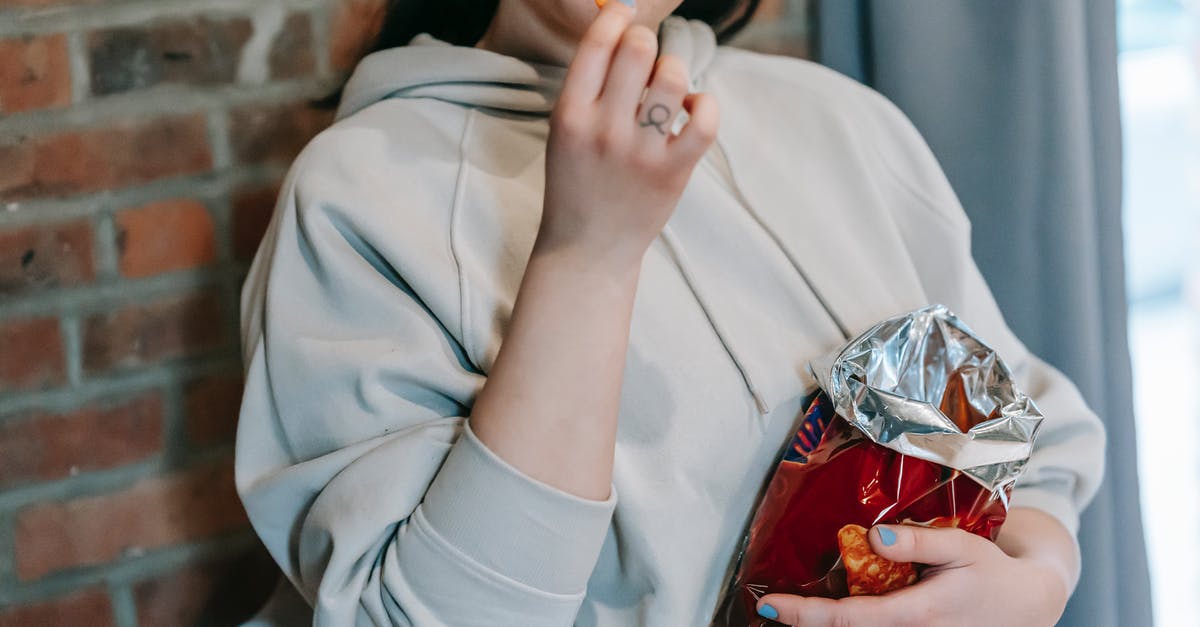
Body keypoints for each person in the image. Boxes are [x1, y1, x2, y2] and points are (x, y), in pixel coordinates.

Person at [234, 1, 1107, 625]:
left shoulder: (841, 122)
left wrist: (1037, 578)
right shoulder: (359, 198)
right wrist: (588, 255)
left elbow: (1034, 443)